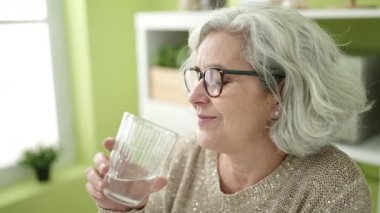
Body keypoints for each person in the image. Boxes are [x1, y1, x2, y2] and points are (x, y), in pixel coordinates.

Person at [86, 5, 371, 212]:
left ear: (278, 94)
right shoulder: (182, 158)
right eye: (198, 76)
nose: (194, 97)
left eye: (216, 78)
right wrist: (122, 208)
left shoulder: (334, 187)